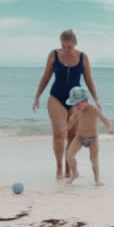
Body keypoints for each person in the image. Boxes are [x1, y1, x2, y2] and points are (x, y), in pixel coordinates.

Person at [32, 29, 100, 180]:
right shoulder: (53, 55)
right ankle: (59, 167)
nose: (66, 49)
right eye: (64, 46)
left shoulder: (83, 57)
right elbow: (45, 77)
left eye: (69, 47)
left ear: (75, 43)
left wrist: (96, 100)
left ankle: (69, 170)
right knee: (59, 132)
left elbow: (89, 80)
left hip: (77, 102)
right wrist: (37, 96)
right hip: (56, 98)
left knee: (72, 135)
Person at [63, 86, 114, 186]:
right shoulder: (76, 109)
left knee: (94, 159)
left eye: (78, 103)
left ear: (85, 100)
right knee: (69, 154)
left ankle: (97, 180)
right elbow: (72, 119)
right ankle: (75, 173)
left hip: (93, 139)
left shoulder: (93, 109)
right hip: (80, 137)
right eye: (74, 104)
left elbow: (104, 119)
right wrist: (68, 127)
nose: (76, 106)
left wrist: (109, 128)